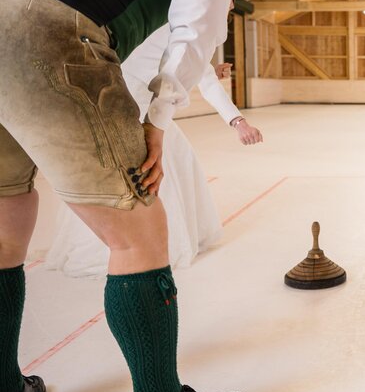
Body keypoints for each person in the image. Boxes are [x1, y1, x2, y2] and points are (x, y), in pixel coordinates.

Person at [0, 0, 248, 392]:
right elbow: (196, 28)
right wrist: (158, 117)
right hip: (42, 32)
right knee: (137, 229)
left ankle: (1, 389)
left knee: (3, 213)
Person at [47, 22, 264, 279]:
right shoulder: (191, 26)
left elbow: (166, 63)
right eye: (227, 0)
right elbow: (204, 81)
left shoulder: (149, 20)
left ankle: (118, 241)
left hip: (115, 102)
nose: (228, 9)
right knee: (158, 170)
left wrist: (207, 69)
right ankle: (144, 247)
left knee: (151, 166)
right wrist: (238, 122)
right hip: (140, 112)